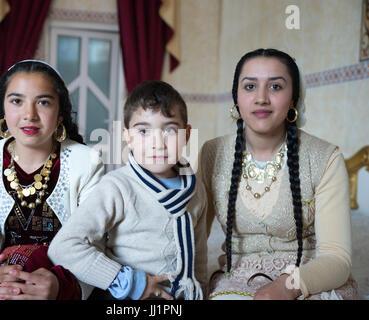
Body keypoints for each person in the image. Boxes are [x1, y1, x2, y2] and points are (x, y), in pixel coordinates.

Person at [200, 48, 359, 300]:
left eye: (275, 87)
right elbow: (196, 238)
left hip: (309, 280)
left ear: (293, 98)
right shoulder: (212, 152)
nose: (261, 98)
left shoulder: (325, 158)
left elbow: (337, 258)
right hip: (237, 279)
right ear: (236, 98)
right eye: (250, 86)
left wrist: (287, 287)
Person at [0, 60, 104, 300]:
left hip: (61, 288)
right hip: (2, 288)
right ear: (3, 108)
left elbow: (93, 247)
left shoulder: (87, 162)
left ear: (60, 113)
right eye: (16, 101)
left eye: (43, 102)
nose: (29, 115)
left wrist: (60, 288)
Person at [48, 80, 208, 300]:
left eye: (170, 130)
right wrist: (127, 281)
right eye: (143, 131)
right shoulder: (117, 187)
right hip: (126, 297)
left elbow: (198, 257)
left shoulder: (195, 188)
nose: (157, 144)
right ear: (127, 136)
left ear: (187, 135)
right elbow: (63, 247)